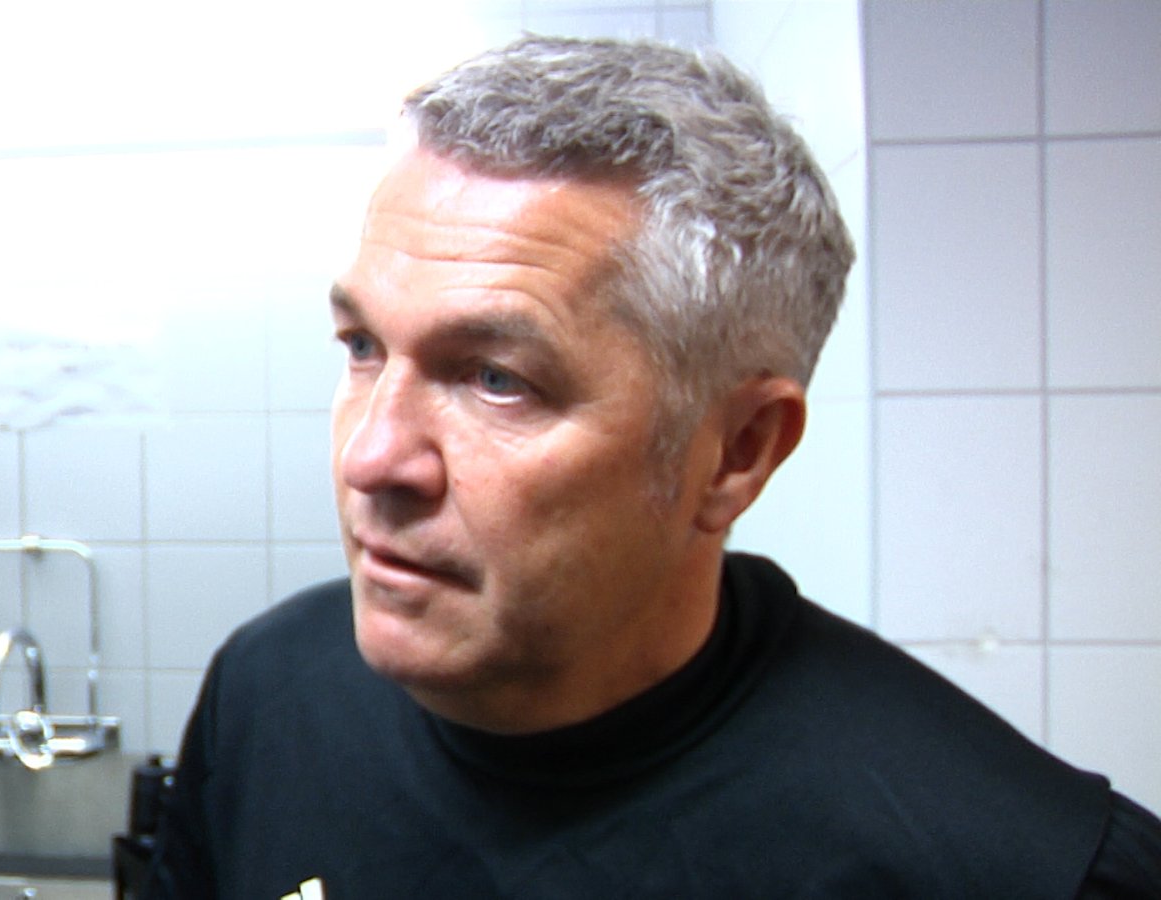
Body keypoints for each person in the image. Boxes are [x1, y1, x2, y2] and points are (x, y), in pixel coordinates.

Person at [143, 36, 1161, 898]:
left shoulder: (1013, 867)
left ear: (737, 452)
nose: (372, 457)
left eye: (497, 379)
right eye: (362, 346)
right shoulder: (268, 695)